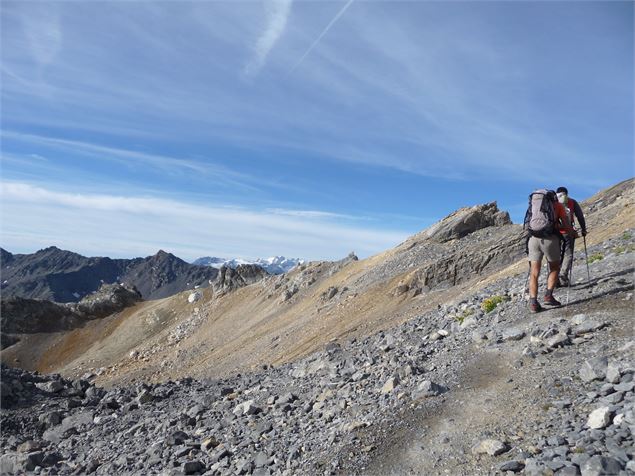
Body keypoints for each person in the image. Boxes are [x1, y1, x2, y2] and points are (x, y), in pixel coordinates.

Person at [526, 190, 575, 313]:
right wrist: (572, 233)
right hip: (550, 239)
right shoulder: (557, 206)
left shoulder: (534, 206)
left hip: (533, 239)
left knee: (534, 272)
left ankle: (533, 303)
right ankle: (548, 296)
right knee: (554, 267)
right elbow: (566, 224)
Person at [556, 186, 587, 287]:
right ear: (566, 194)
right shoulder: (572, 202)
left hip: (556, 233)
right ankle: (563, 274)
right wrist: (583, 229)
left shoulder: (553, 202)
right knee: (568, 254)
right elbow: (580, 216)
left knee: (557, 255)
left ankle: (555, 279)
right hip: (568, 232)